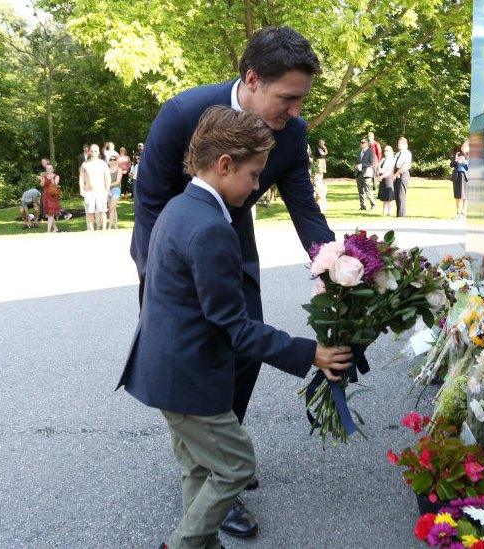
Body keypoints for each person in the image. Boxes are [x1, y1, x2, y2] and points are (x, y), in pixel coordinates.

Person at [130, 26, 335, 538]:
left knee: (241, 348)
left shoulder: (292, 131)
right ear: (251, 79)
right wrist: (163, 279)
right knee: (194, 345)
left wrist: (331, 262)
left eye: (301, 101)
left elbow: (302, 204)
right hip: (174, 246)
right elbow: (150, 201)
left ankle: (220, 458)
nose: (295, 112)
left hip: (231, 241)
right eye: (288, 98)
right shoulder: (183, 113)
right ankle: (219, 472)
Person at [80, 144, 111, 231]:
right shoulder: (85, 164)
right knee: (90, 212)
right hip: (89, 191)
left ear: (98, 152)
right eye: (92, 151)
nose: (93, 153)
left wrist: (107, 190)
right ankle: (91, 230)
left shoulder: (103, 163)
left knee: (102, 211)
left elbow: (107, 178)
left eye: (95, 151)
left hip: (101, 191)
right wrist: (81, 189)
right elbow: (81, 177)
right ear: (89, 152)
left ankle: (104, 229)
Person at [393, 136, 413, 217]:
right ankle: (398, 213)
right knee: (397, 194)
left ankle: (402, 214)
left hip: (403, 173)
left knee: (401, 194)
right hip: (396, 172)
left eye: (401, 143)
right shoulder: (397, 153)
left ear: (405, 144)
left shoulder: (407, 153)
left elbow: (404, 166)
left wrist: (396, 174)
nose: (399, 145)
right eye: (398, 143)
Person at [40, 162, 61, 233]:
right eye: (47, 169)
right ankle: (55, 228)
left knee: (51, 214)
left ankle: (48, 231)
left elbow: (55, 185)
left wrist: (51, 178)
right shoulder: (44, 177)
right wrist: (42, 178)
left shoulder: (56, 176)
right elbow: (42, 185)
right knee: (49, 214)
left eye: (50, 168)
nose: (48, 170)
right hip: (45, 197)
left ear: (53, 169)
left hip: (53, 197)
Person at [451, 140, 469, 219]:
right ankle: (458, 213)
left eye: (465, 146)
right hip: (457, 175)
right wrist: (457, 161)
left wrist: (465, 161)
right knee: (458, 195)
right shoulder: (457, 154)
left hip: (466, 176)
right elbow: (451, 164)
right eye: (462, 146)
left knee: (465, 196)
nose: (463, 148)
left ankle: (463, 213)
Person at [355, 138, 375, 211]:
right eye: (361, 142)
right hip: (359, 173)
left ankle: (373, 205)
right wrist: (357, 166)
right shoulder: (359, 152)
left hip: (367, 173)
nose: (361, 143)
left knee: (368, 190)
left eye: (363, 142)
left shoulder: (371, 151)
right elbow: (357, 162)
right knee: (360, 191)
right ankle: (362, 206)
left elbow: (371, 163)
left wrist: (362, 165)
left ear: (367, 143)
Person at [377, 145, 396, 216]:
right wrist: (380, 176)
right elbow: (378, 167)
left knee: (389, 196)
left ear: (391, 151)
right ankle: (384, 211)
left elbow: (389, 170)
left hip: (388, 178)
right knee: (383, 196)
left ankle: (389, 212)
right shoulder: (383, 159)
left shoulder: (392, 159)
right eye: (384, 150)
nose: (385, 152)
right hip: (382, 178)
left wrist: (381, 176)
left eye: (387, 150)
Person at [313, 139, 328, 212]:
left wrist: (324, 148)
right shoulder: (318, 148)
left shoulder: (321, 148)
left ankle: (320, 183)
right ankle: (318, 184)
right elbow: (324, 154)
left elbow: (325, 154)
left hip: (322, 161)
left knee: (321, 174)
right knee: (319, 173)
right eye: (322, 143)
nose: (323, 144)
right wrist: (325, 148)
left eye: (323, 143)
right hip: (319, 162)